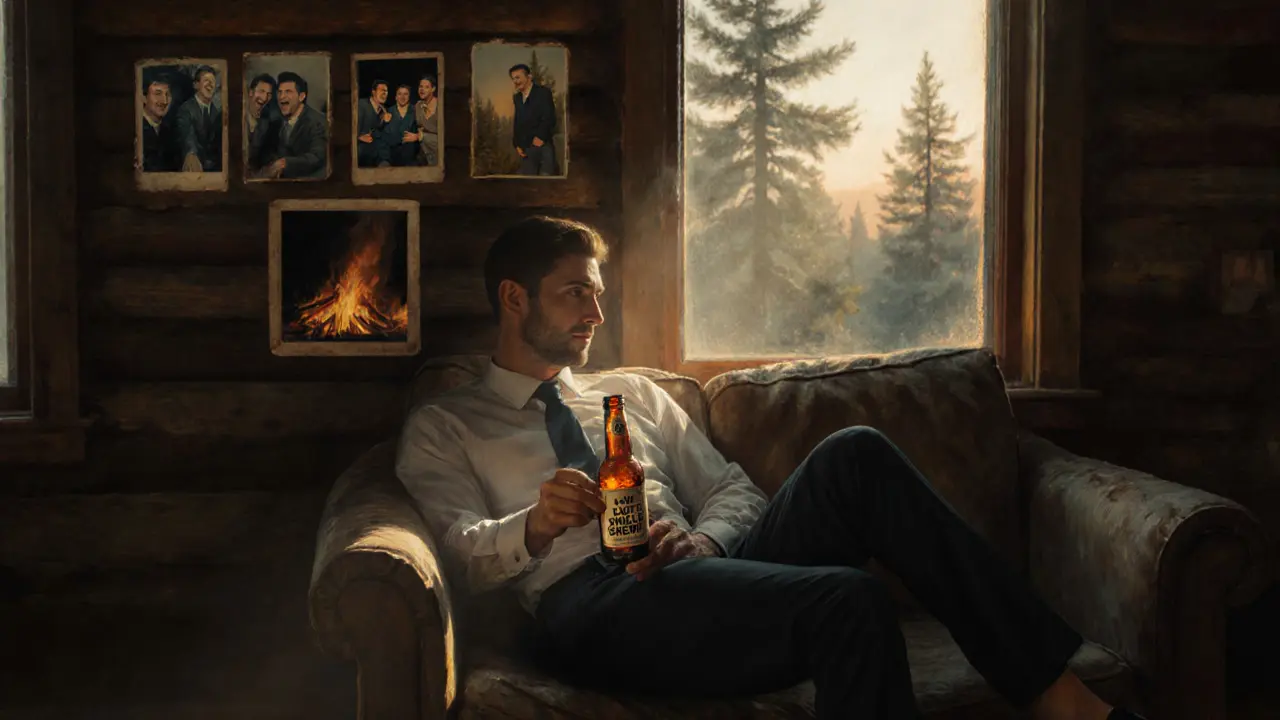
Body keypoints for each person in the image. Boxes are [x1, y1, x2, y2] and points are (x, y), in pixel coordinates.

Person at [395, 217, 1147, 720]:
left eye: (598, 293)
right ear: (514, 298)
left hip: (696, 577)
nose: (594, 312)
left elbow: (732, 489)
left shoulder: (632, 394)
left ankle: (1057, 692)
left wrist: (708, 542)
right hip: (588, 604)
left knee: (856, 455)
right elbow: (455, 552)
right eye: (575, 293)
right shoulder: (448, 424)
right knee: (848, 602)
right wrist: (530, 526)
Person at [260, 71, 328, 179]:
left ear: (301, 96)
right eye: (280, 92)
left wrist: (285, 163)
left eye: (288, 92)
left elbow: (317, 157)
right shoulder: (277, 123)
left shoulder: (317, 122)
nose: (282, 97)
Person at [508, 63, 557, 176]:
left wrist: (540, 137)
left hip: (544, 147)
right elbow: (518, 122)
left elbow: (550, 118)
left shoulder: (543, 92)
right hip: (526, 151)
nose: (515, 81)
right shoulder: (517, 98)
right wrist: (517, 144)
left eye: (518, 77)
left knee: (546, 184)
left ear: (529, 77)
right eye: (513, 79)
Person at [174, 65, 222, 172]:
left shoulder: (218, 113)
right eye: (206, 80)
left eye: (213, 81)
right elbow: (186, 133)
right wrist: (191, 153)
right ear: (196, 85)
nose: (210, 84)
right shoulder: (185, 109)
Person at [139, 70, 178, 172]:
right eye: (158, 93)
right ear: (143, 97)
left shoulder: (169, 131)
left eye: (168, 94)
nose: (164, 101)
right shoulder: (136, 129)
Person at [356, 79, 391, 168]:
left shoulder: (384, 111)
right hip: (360, 150)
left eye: (386, 91)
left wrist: (385, 122)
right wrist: (358, 137)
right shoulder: (361, 105)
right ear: (373, 92)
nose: (385, 93)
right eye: (382, 90)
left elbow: (379, 132)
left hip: (376, 153)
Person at [385, 84, 420, 167]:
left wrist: (417, 136)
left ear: (409, 97)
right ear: (395, 97)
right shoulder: (387, 112)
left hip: (411, 158)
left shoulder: (416, 111)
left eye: (405, 94)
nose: (402, 97)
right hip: (391, 159)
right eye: (399, 94)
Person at [411, 74, 439, 167]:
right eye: (420, 86)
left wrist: (422, 136)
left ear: (433, 89)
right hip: (424, 151)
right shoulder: (418, 106)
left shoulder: (440, 105)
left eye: (426, 87)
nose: (422, 90)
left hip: (438, 150)